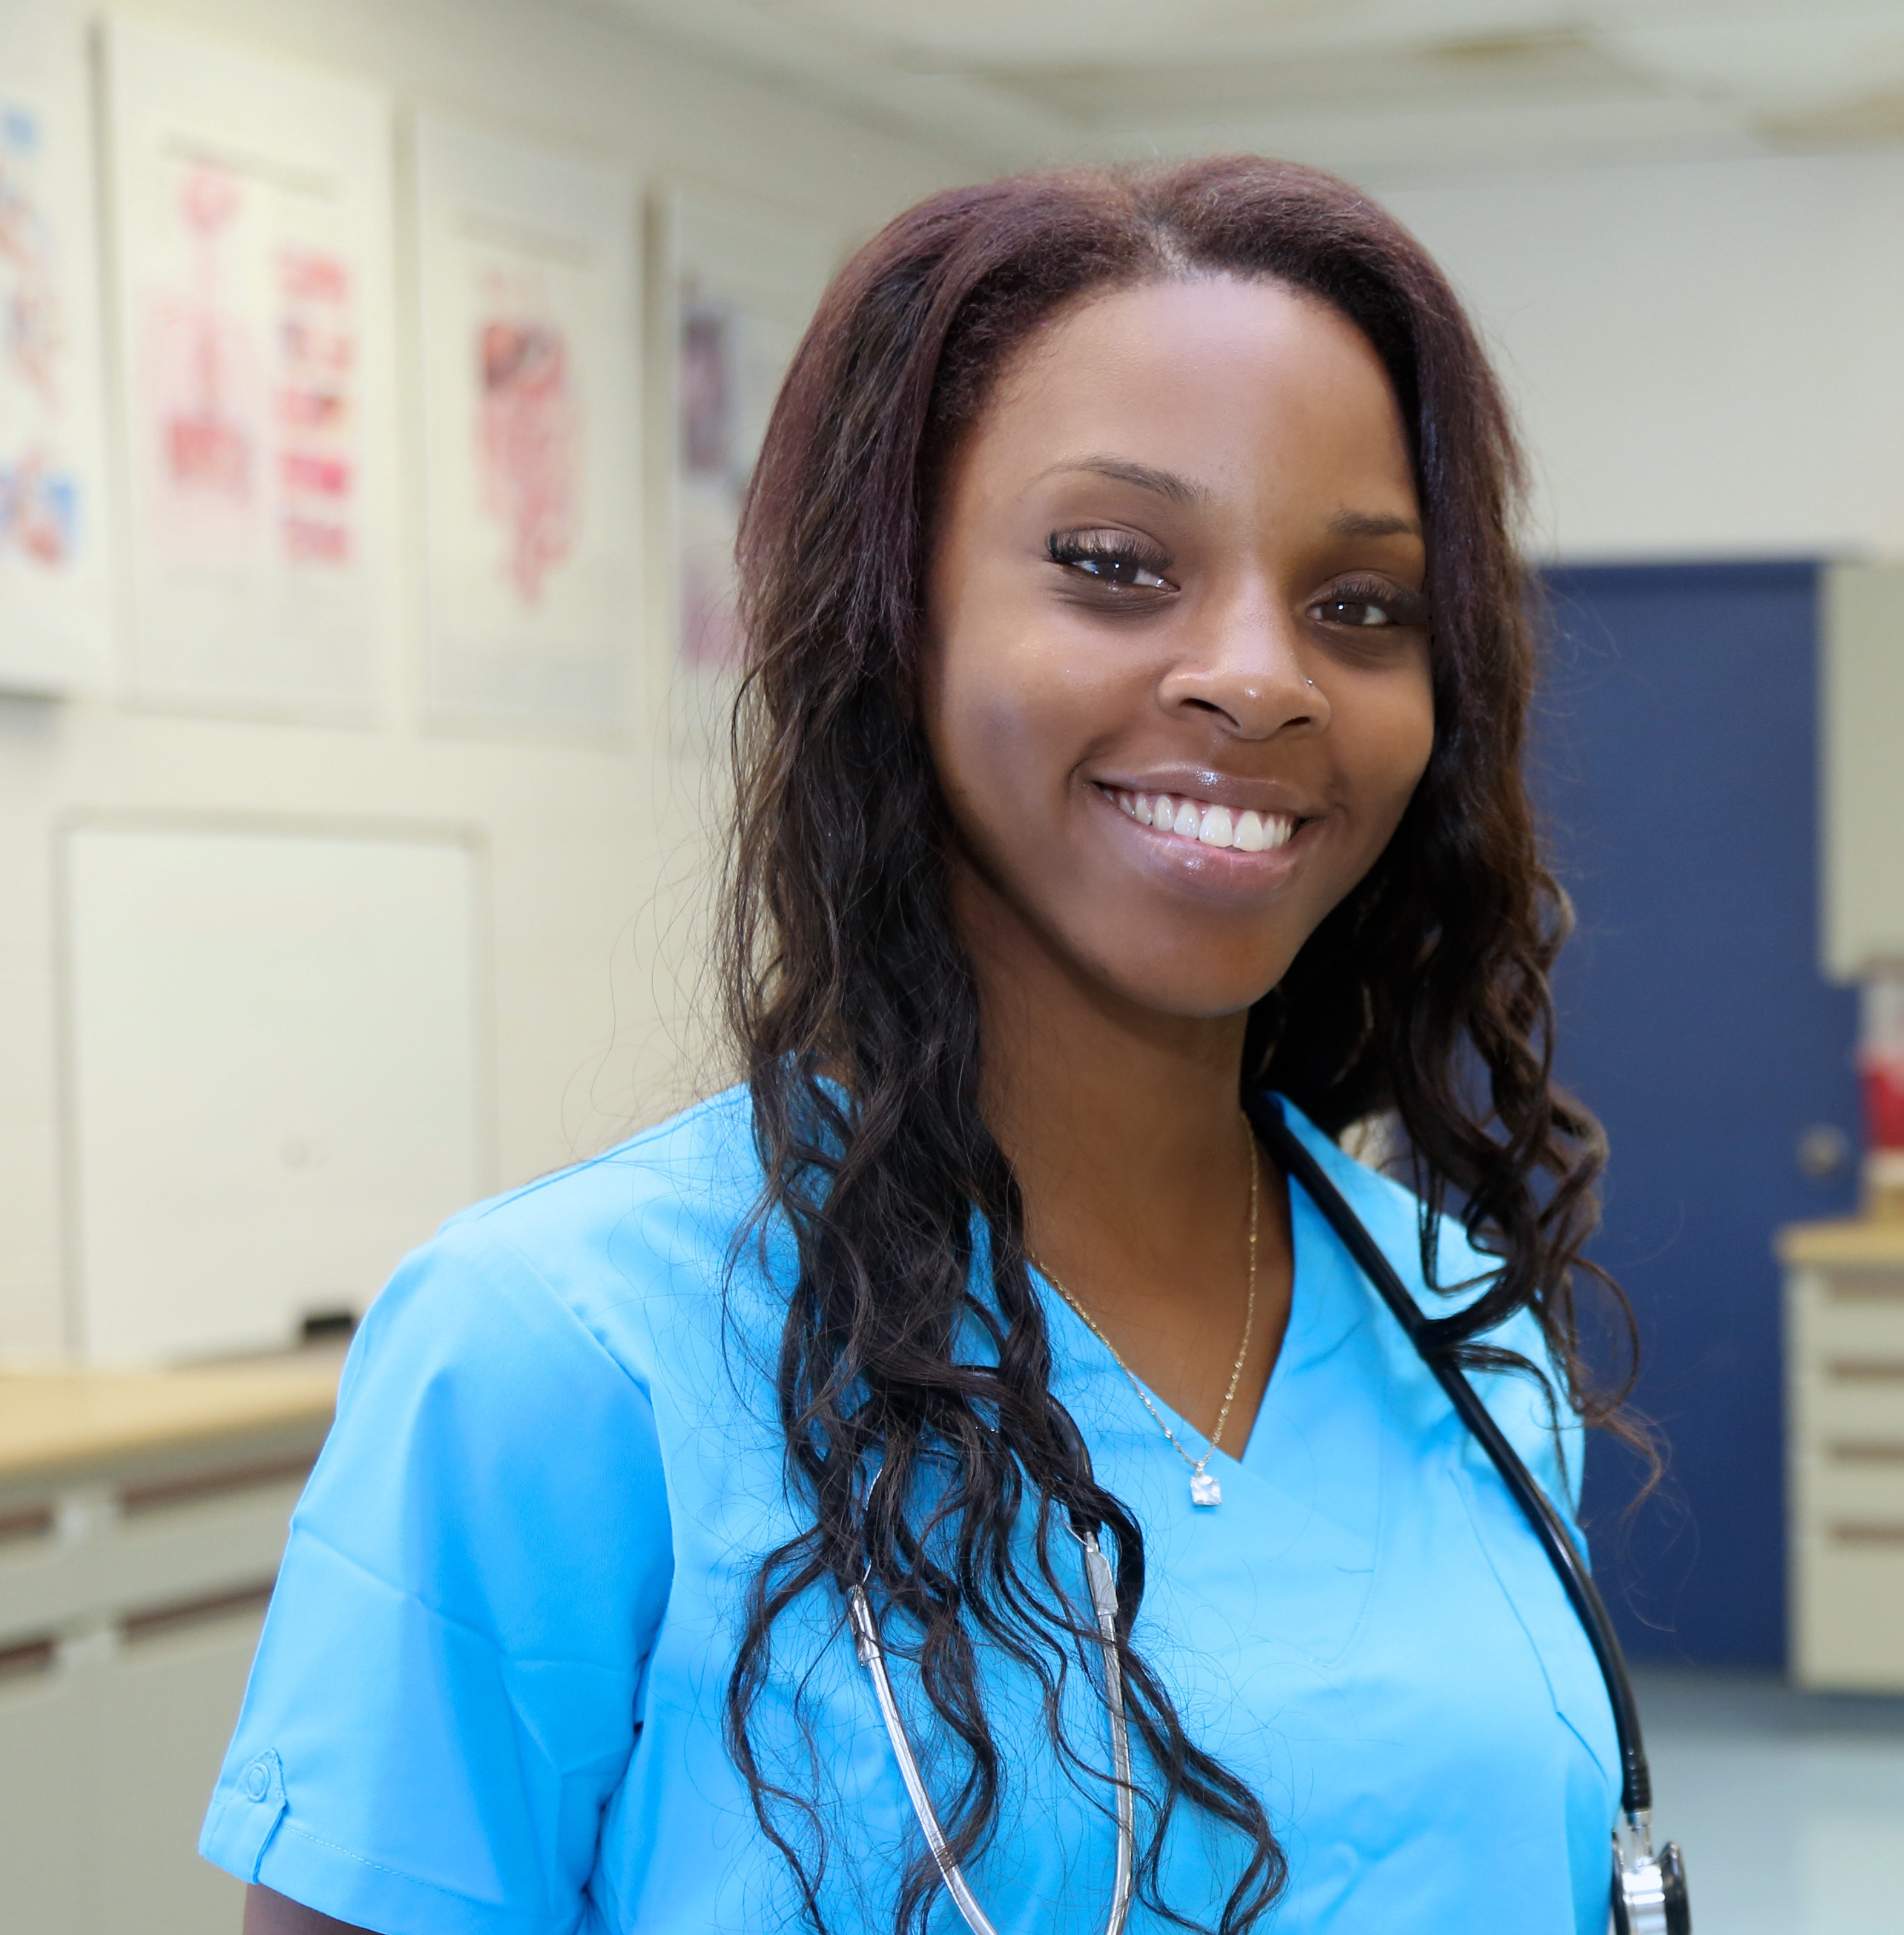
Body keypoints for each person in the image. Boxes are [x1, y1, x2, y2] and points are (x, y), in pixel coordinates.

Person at [208, 157, 1630, 1935]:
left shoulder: (1451, 1326)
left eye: (1361, 607)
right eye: (1114, 566)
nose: (1261, 675)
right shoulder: (562, 1358)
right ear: (891, 623)